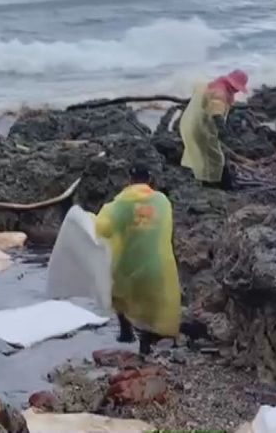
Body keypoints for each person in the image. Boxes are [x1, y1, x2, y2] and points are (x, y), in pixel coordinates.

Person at [94, 165, 180, 355]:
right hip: (157, 266)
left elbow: (102, 230)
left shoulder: (120, 204)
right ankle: (146, 345)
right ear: (150, 180)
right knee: (151, 303)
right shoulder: (162, 201)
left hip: (128, 268)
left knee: (117, 292)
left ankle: (126, 333)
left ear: (129, 180)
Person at [179, 69, 248, 190]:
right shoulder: (220, 92)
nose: (237, 90)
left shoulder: (216, 85)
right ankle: (213, 184)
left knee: (205, 155)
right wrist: (222, 130)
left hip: (199, 124)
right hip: (203, 128)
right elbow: (217, 113)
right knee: (215, 158)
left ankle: (208, 180)